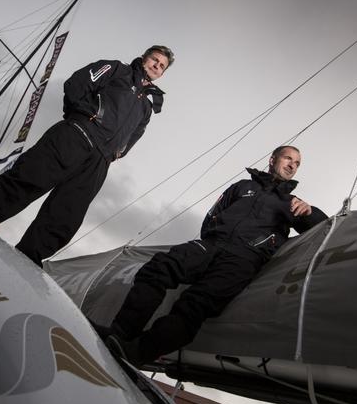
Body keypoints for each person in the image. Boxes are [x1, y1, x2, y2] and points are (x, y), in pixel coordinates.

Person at [98, 146, 328, 367]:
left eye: (297, 164)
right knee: (159, 267)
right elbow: (213, 216)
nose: (293, 166)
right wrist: (214, 235)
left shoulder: (292, 203)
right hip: (211, 244)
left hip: (243, 259)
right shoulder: (242, 186)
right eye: (288, 159)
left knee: (194, 306)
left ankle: (137, 352)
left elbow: (322, 227)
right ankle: (120, 335)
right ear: (272, 159)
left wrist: (310, 211)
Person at [0, 45, 174, 267]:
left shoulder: (146, 108)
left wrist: (114, 154)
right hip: (76, 135)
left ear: (162, 73)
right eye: (154, 59)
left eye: (161, 66)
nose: (156, 66)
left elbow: (135, 136)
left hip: (99, 161)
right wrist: (82, 118)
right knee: (28, 178)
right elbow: (77, 83)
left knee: (67, 213)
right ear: (144, 58)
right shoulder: (115, 69)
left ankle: (26, 258)